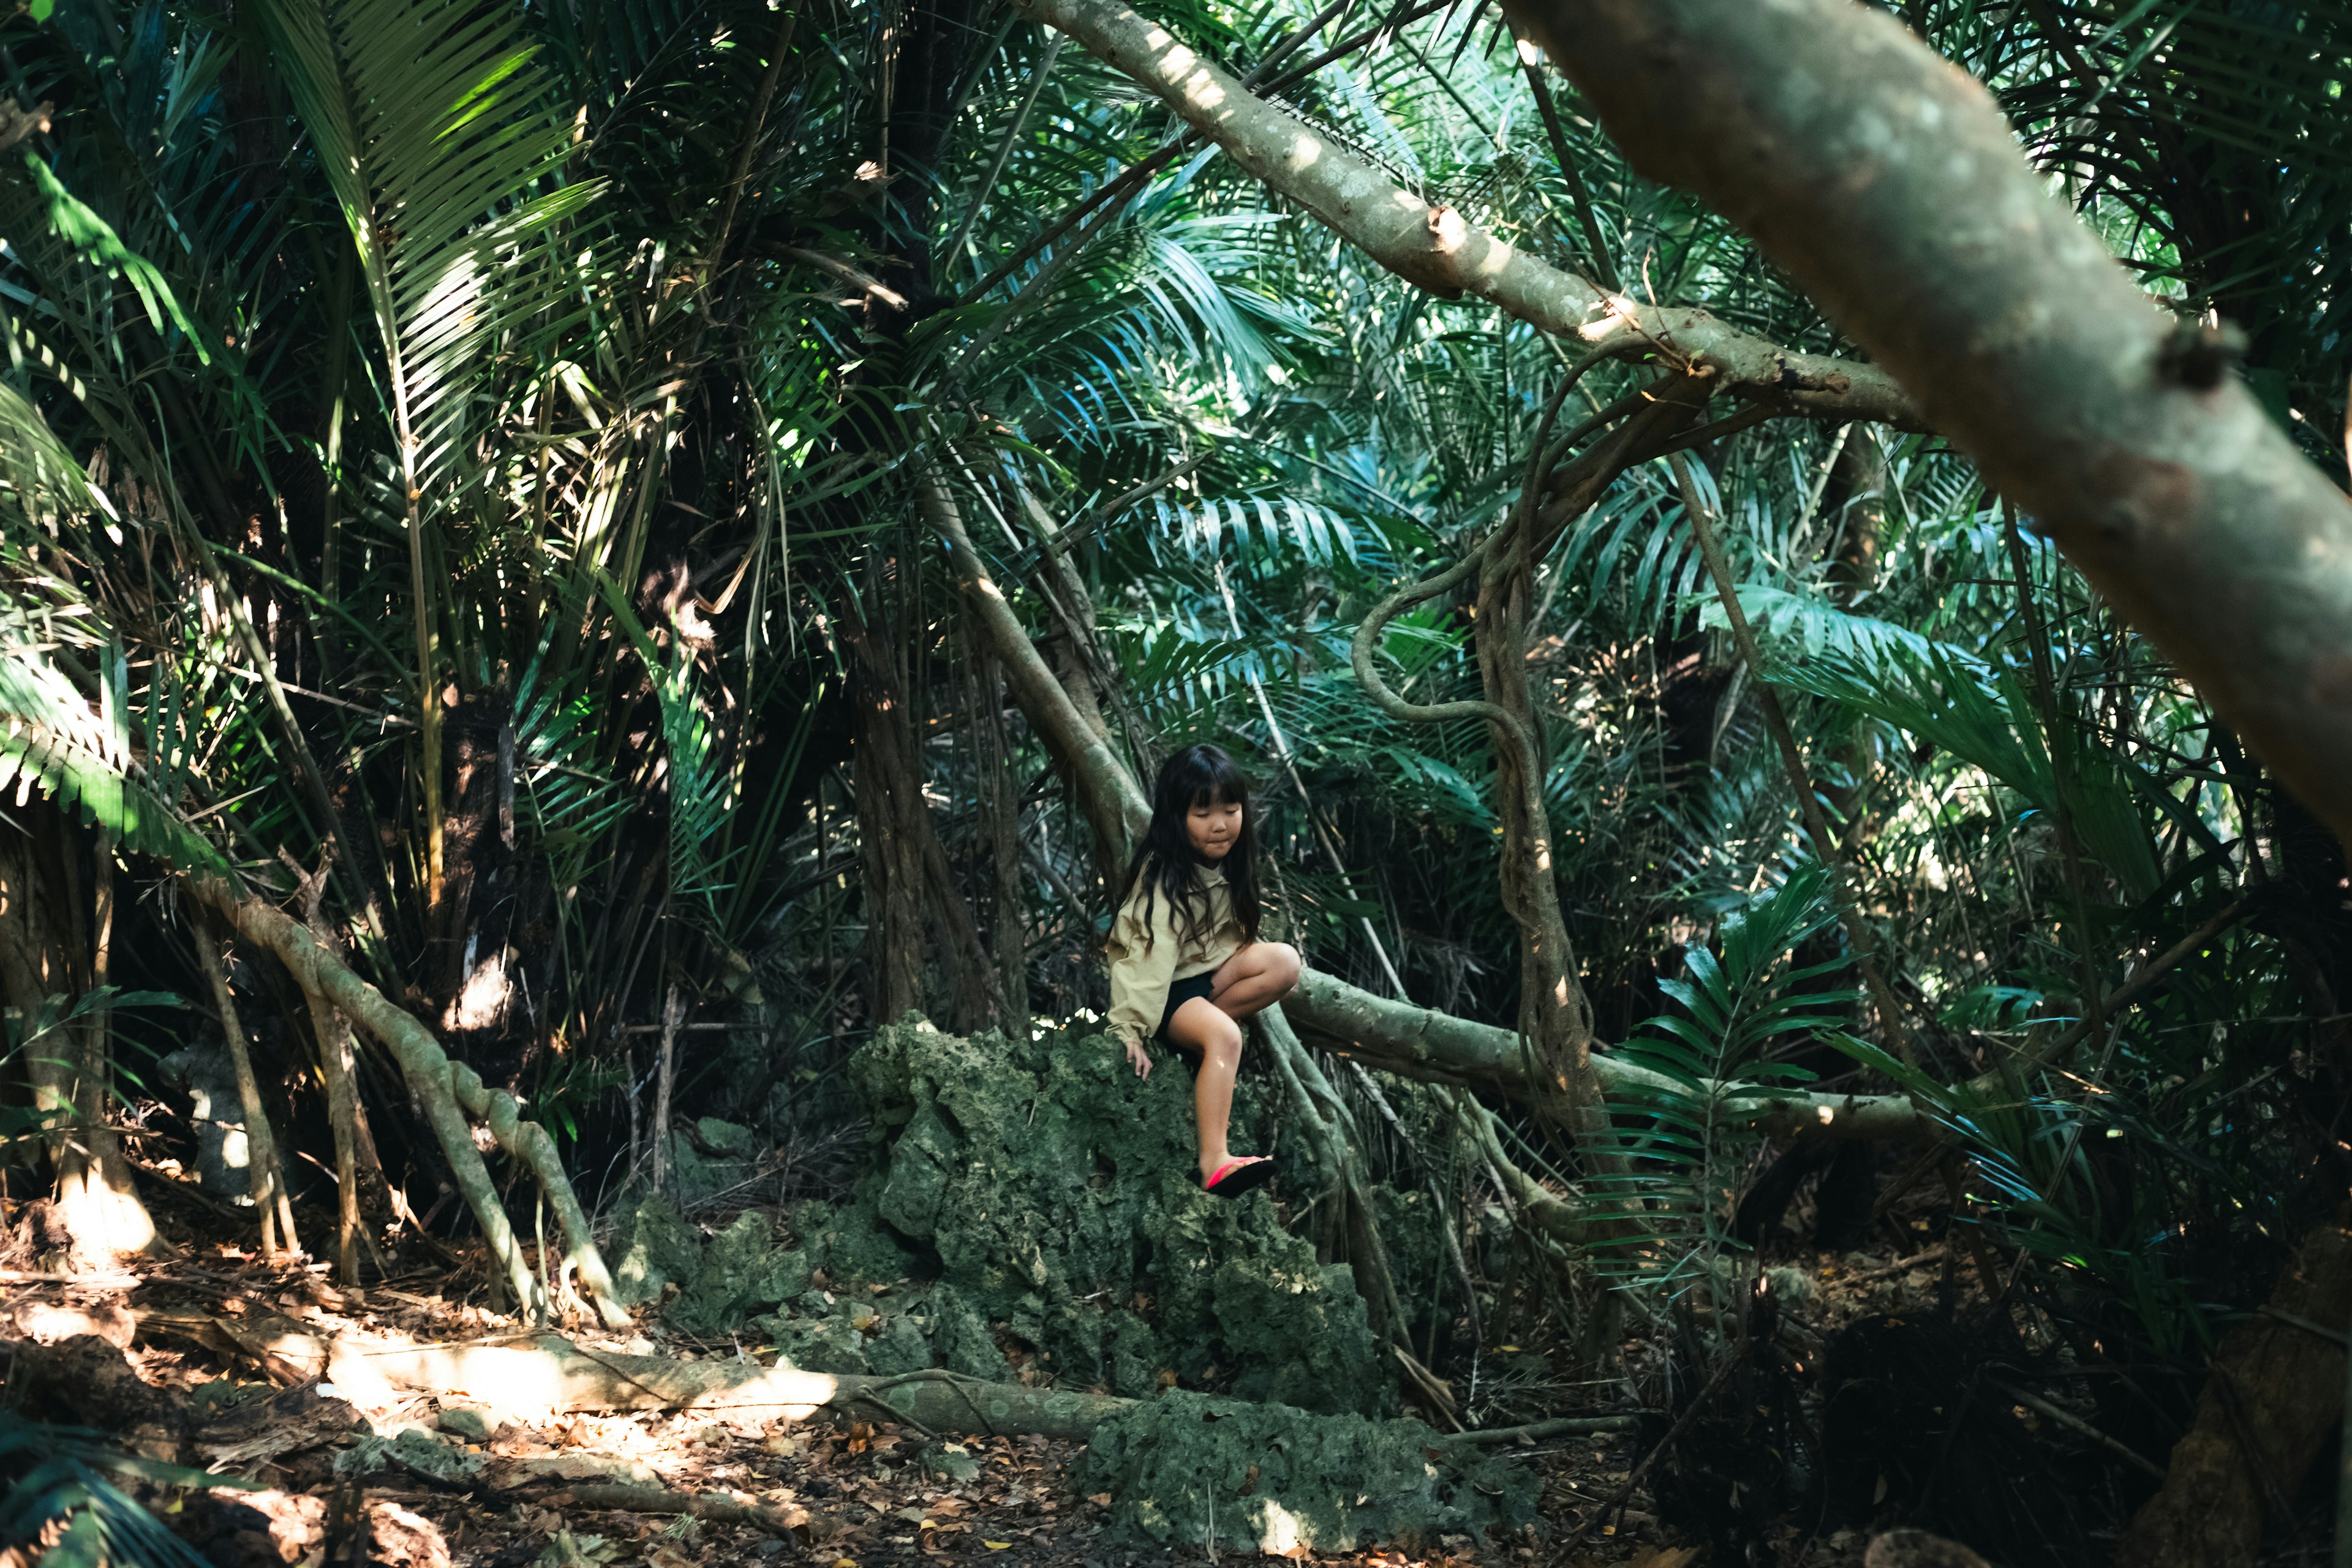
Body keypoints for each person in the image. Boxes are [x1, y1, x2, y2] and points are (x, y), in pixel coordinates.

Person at [1105, 744, 1302, 1197]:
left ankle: (1209, 1033)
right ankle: (1215, 1160)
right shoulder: (1164, 880)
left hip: (1204, 980)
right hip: (1167, 994)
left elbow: (1234, 938)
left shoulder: (1228, 861)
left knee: (1286, 962)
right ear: (1177, 818)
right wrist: (1128, 1029)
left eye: (1231, 810)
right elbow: (1146, 962)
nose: (1221, 824)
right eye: (1203, 814)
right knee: (1226, 1036)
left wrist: (1229, 974)